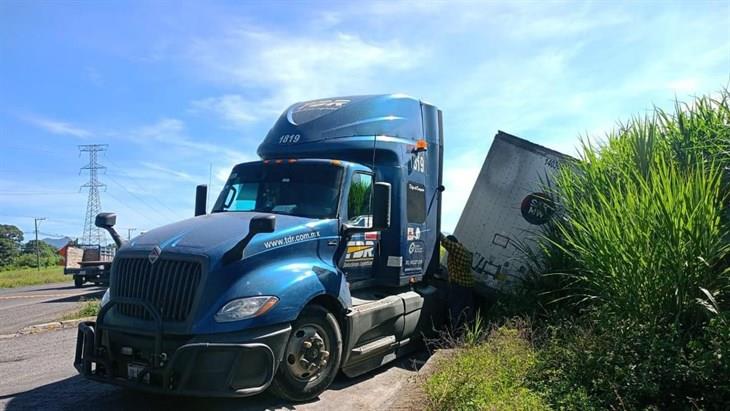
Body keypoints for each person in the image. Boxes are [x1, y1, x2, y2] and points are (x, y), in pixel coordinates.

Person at [439, 233, 475, 330]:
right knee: (466, 309)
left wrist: (436, 230)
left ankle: (452, 331)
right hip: (467, 285)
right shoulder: (464, 250)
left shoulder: (456, 250)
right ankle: (466, 330)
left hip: (458, 285)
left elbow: (445, 241)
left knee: (455, 308)